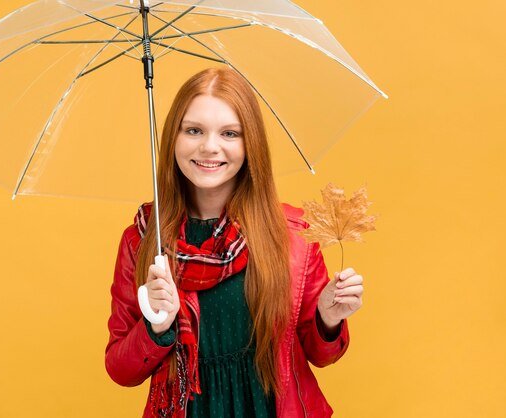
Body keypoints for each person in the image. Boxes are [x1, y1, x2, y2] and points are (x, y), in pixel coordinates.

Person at [105, 67, 364, 418]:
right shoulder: (142, 240)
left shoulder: (292, 233)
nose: (209, 147)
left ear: (250, 143)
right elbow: (121, 369)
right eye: (193, 130)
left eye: (229, 133)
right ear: (173, 138)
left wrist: (328, 318)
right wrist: (156, 324)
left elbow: (322, 354)